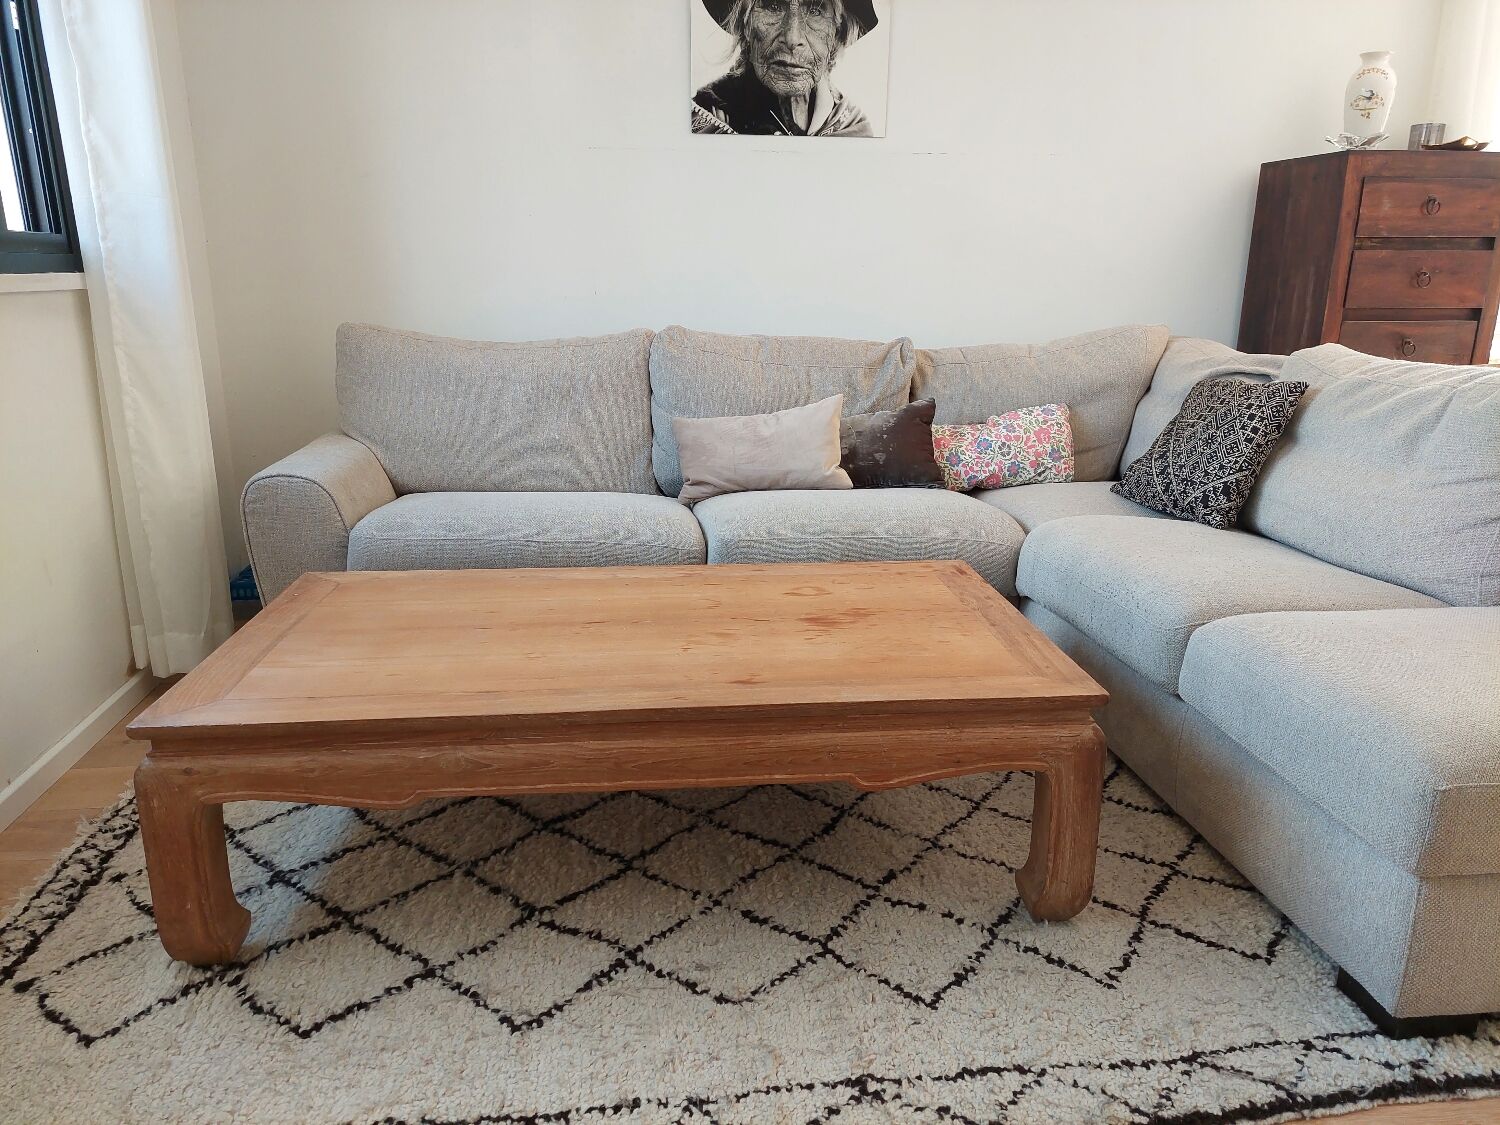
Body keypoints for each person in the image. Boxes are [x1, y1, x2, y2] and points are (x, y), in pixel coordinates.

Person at [692, 0, 877, 137]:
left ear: (837, 31)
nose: (792, 38)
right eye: (773, 7)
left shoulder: (852, 127)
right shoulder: (703, 119)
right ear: (746, 24)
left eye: (815, 10)